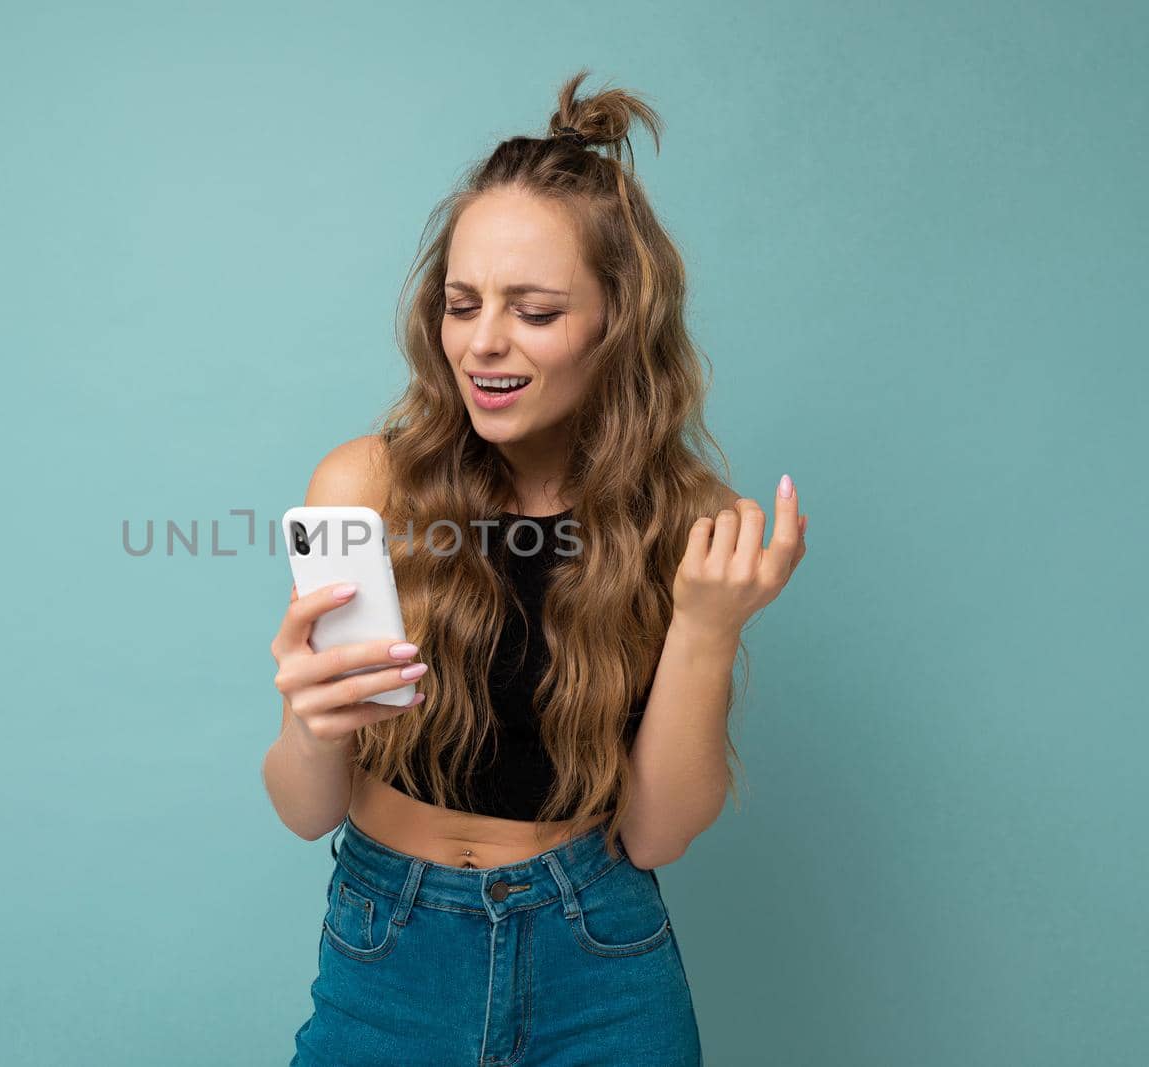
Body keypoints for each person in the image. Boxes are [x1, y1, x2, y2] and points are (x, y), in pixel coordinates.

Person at [264, 70, 809, 1066]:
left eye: (535, 310)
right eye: (461, 303)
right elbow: (306, 810)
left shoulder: (692, 522)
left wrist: (706, 627)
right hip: (391, 945)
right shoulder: (361, 485)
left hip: (599, 954)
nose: (483, 343)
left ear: (616, 320)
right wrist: (309, 720)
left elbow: (654, 835)